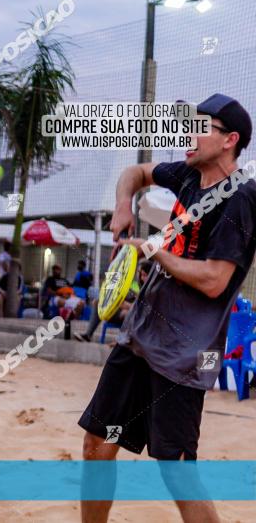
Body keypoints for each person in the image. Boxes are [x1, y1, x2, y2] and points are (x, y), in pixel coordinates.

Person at [79, 93, 255, 523]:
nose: (186, 133)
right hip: (140, 336)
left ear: (229, 140)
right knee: (97, 445)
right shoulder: (189, 176)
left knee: (175, 471)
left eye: (200, 126)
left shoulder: (240, 199)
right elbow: (136, 172)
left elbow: (215, 281)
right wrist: (124, 204)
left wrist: (153, 250)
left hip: (183, 355)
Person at [75, 260, 152, 343]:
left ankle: (126, 340)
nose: (141, 277)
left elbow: (145, 309)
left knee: (127, 312)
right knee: (98, 302)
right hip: (118, 311)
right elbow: (110, 294)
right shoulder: (126, 281)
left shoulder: (151, 289)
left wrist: (128, 305)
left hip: (135, 317)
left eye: (144, 275)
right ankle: (88, 335)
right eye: (141, 274)